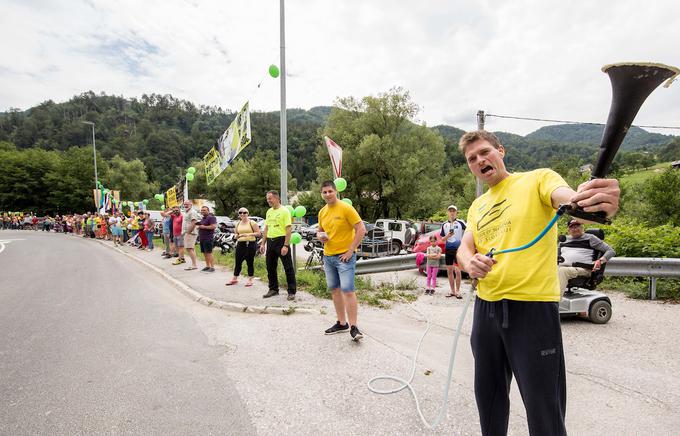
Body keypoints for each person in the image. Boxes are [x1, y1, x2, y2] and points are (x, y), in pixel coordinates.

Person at [456, 130, 620, 436]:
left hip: (532, 310)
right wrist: (470, 263)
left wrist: (593, 203)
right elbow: (465, 248)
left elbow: (570, 200)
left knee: (544, 406)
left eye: (484, 152)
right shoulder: (476, 206)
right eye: (472, 159)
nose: (480, 160)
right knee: (488, 398)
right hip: (486, 310)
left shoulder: (538, 179)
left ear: (500, 151)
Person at [317, 180, 367, 341]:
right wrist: (321, 237)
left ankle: (354, 327)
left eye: (330, 191)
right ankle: (341, 323)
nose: (327, 194)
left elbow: (361, 229)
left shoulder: (346, 208)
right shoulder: (322, 212)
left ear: (336, 191)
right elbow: (320, 231)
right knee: (334, 290)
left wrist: (351, 250)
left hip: (344, 257)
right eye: (324, 192)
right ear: (321, 194)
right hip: (328, 256)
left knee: (348, 290)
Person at [259, 190, 296, 300]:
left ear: (277, 198)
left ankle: (291, 291)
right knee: (270, 267)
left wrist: (285, 245)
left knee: (288, 267)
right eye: (267, 199)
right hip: (270, 241)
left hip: (281, 241)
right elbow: (266, 228)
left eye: (270, 198)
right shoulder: (269, 212)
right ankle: (273, 289)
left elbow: (288, 229)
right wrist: (263, 243)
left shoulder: (284, 211)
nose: (268, 201)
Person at [558, 219, 615, 291]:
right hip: (562, 267)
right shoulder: (564, 240)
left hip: (583, 269)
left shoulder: (590, 238)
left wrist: (600, 261)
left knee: (563, 271)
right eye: (572, 227)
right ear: (568, 230)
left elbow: (611, 251)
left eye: (577, 226)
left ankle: (555, 301)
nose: (575, 229)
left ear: (582, 228)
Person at [226, 207, 261, 287]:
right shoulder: (238, 223)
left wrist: (248, 234)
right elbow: (236, 233)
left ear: (247, 213)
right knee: (238, 262)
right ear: (239, 215)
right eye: (240, 213)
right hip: (240, 244)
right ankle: (234, 279)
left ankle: (250, 279)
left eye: (244, 212)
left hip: (250, 243)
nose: (242, 214)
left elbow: (258, 233)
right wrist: (236, 236)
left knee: (249, 262)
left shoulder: (252, 222)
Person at [441, 205, 466, 298]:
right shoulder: (444, 224)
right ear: (448, 212)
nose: (452, 212)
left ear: (456, 212)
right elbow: (442, 239)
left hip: (458, 250)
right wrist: (448, 235)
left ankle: (458, 291)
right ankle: (452, 291)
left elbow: (469, 232)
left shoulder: (461, 222)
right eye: (450, 211)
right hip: (448, 250)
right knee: (449, 271)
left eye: (453, 211)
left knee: (458, 271)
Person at [181, 200, 201, 270]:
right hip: (187, 232)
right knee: (191, 248)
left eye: (187, 204)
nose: (185, 205)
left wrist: (188, 232)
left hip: (190, 232)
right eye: (184, 204)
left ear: (191, 204)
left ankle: (194, 265)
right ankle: (194, 264)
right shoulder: (187, 212)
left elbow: (194, 222)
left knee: (189, 248)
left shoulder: (192, 212)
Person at [196, 206, 217, 272]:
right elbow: (202, 226)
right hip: (202, 238)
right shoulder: (203, 219)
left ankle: (212, 267)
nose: (202, 211)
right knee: (204, 253)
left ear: (208, 211)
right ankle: (207, 266)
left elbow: (213, 226)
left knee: (209, 252)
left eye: (204, 210)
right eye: (202, 210)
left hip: (208, 238)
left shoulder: (211, 217)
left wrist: (203, 227)